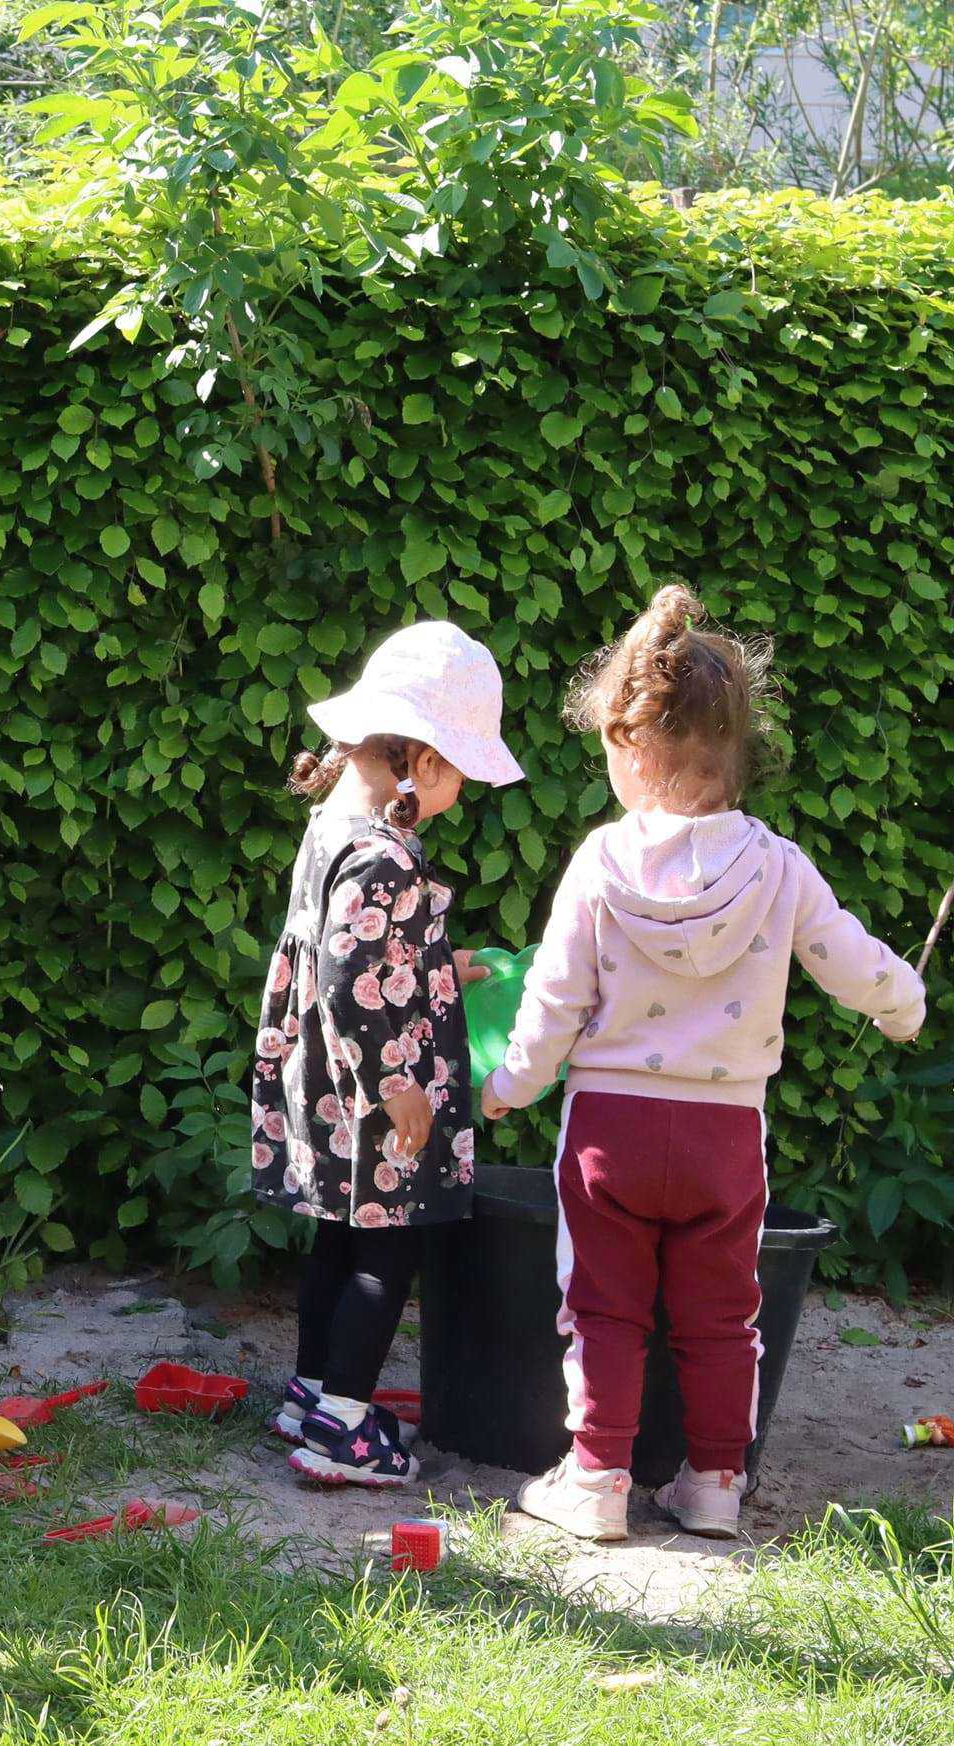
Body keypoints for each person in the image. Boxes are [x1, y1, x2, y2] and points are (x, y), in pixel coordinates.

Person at [485, 584, 926, 1542]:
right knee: (725, 1316)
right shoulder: (779, 865)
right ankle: (715, 1482)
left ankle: (598, 1479)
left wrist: (509, 1086)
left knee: (602, 1307)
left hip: (610, 1128)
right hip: (727, 1133)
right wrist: (907, 1004)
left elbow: (552, 1000)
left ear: (629, 750)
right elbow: (852, 958)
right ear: (737, 748)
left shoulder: (599, 864)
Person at [251, 622, 524, 1487]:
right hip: (374, 1098)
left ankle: (311, 1392)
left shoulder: (334, 831)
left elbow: (369, 953)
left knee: (337, 1240)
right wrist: (397, 1081)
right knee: (385, 1254)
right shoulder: (383, 857)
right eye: (460, 775)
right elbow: (351, 968)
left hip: (326, 1088)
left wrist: (445, 964)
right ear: (422, 763)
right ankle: (343, 1427)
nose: (461, 792)